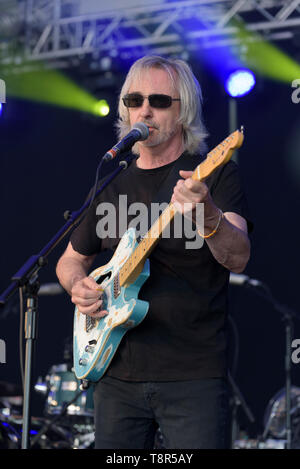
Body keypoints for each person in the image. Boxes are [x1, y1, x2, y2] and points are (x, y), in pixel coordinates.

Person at [56, 55, 251, 449]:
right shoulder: (111, 181)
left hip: (192, 375)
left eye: (160, 101)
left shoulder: (212, 174)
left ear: (184, 112)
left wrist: (207, 213)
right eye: (134, 99)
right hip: (114, 373)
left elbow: (239, 255)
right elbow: (70, 260)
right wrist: (78, 285)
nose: (144, 109)